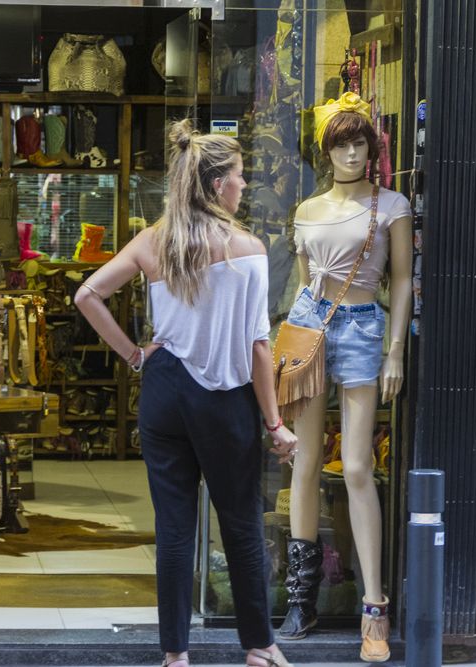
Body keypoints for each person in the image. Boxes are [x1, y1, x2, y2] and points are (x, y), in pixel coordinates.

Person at [74, 120, 298, 667]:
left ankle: (176, 655)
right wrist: (275, 424)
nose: (244, 185)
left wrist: (134, 355)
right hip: (224, 399)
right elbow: (259, 348)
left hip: (165, 389)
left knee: (174, 531)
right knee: (240, 524)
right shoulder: (247, 249)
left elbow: (87, 295)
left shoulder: (155, 240)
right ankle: (260, 646)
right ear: (218, 184)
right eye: (240, 176)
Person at [279, 92, 412, 663]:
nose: (353, 154)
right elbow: (304, 283)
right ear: (326, 151)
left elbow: (401, 281)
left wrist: (395, 351)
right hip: (308, 328)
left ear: (372, 148)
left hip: (361, 328)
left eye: (360, 143)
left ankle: (374, 607)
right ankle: (301, 599)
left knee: (357, 466)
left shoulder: (392, 206)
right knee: (305, 461)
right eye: (342, 145)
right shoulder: (306, 211)